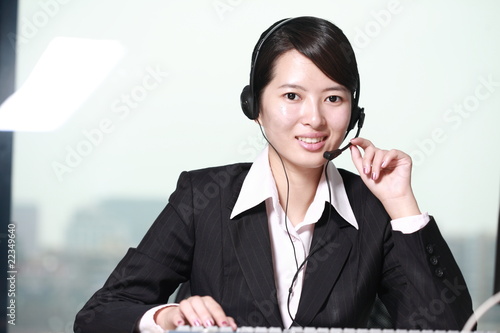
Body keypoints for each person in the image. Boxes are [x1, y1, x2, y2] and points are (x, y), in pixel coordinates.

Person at [74, 16, 474, 333]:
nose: (314, 118)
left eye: (333, 98)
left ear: (354, 113)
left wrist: (401, 204)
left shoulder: (373, 212)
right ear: (255, 106)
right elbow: (99, 314)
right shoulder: (203, 198)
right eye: (291, 96)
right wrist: (166, 317)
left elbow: (449, 329)